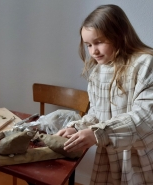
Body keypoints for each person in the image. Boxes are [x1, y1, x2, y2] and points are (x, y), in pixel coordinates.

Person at [56, 4, 153, 185]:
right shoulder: (97, 72)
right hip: (109, 158)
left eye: (99, 42)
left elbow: (147, 118)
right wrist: (77, 128)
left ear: (119, 34)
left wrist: (99, 134)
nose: (94, 51)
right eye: (88, 45)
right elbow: (96, 114)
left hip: (140, 159)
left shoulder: (146, 64)